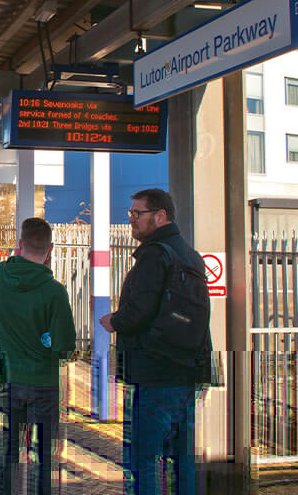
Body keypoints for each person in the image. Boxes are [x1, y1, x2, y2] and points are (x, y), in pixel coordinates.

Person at [98, 188, 209, 495]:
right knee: (181, 458)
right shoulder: (189, 254)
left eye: (138, 214)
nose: (132, 220)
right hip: (186, 373)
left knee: (142, 460)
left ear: (160, 216)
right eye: (131, 213)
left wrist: (114, 320)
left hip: (153, 374)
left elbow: (139, 312)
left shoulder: (154, 254)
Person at [0, 217, 77, 495]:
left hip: (12, 379)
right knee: (44, 457)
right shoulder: (55, 292)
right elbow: (65, 346)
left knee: (9, 450)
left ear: (19, 244)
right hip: (45, 382)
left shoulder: (1, 276)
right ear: (51, 248)